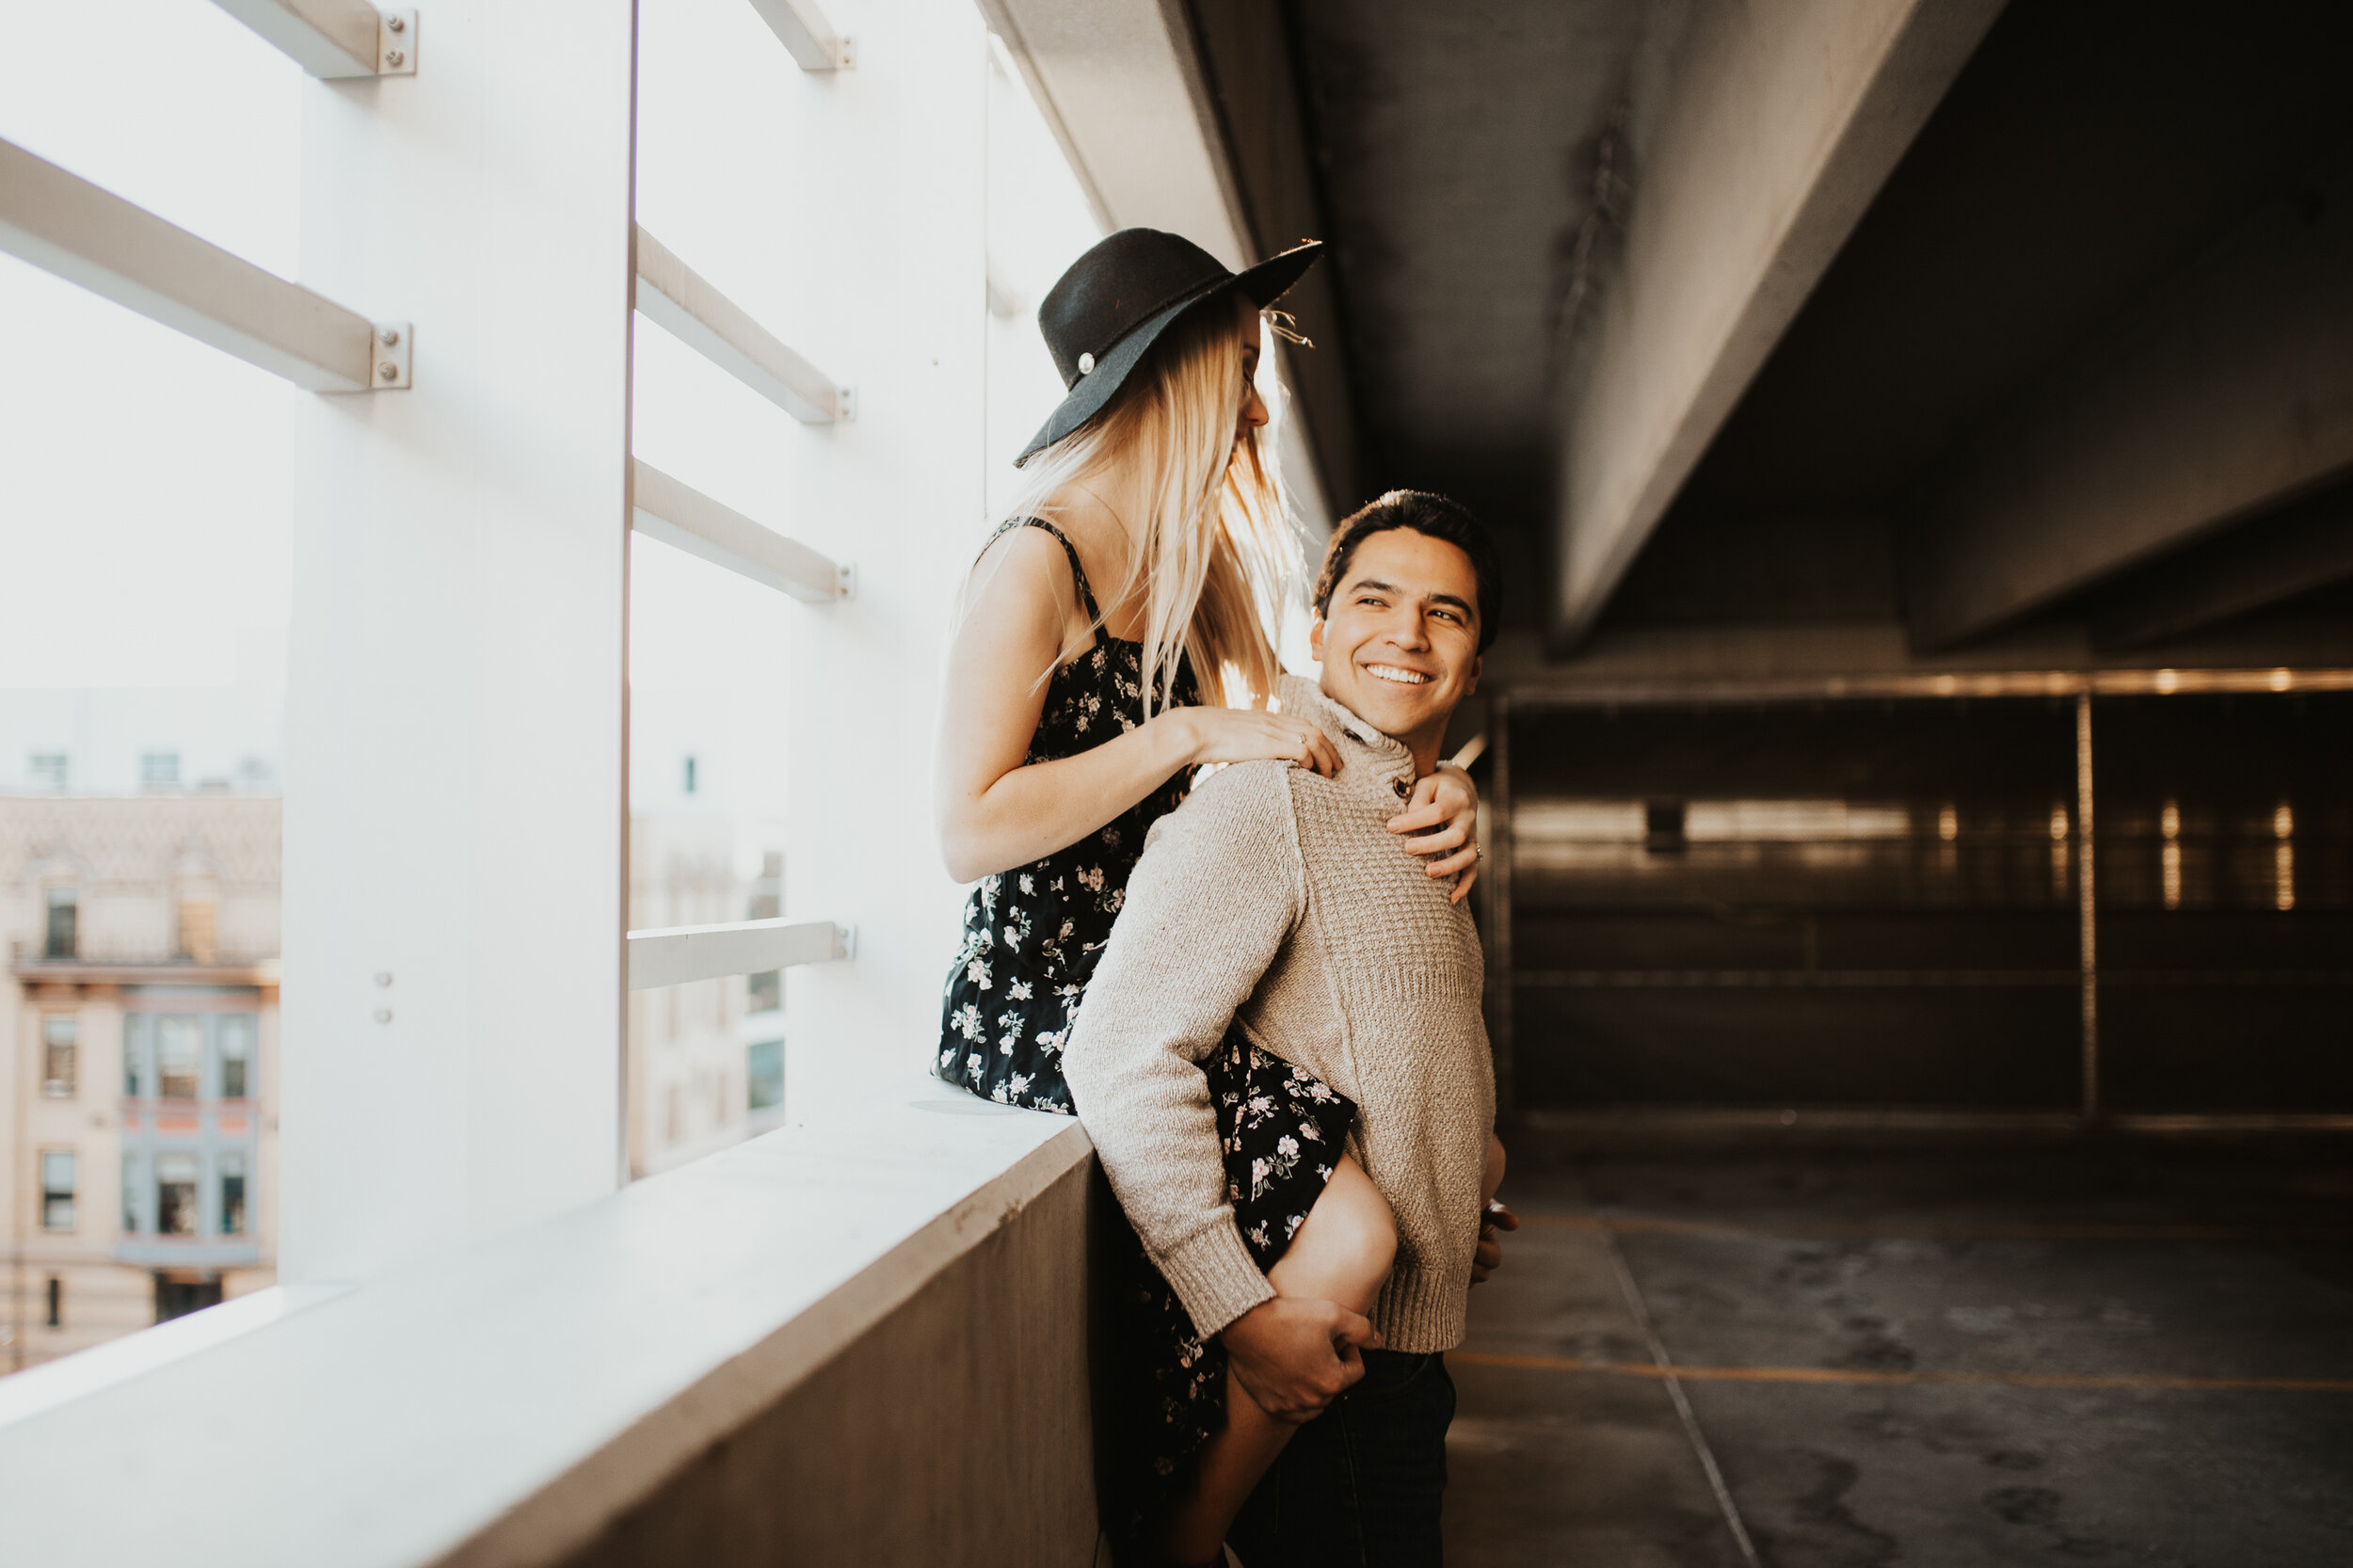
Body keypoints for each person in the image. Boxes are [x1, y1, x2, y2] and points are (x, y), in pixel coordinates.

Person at [927, 229, 1486, 1544]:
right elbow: (967, 827)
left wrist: (1442, 779)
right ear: (1159, 379)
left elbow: (1299, 739)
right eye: (1234, 368)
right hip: (1047, 994)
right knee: (1351, 1232)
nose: (1250, 404)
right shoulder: (1036, 558)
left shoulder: (1201, 568)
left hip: (1171, 956)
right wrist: (1179, 734)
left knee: (1379, 1198)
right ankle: (1189, 1535)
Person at [1067, 490, 1514, 1568]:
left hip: (1408, 1356)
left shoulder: (1424, 816)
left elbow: (1390, 1055)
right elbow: (1120, 1050)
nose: (1406, 634)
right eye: (1374, 598)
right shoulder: (1264, 803)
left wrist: (1459, 1195)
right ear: (1314, 631)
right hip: (1309, 1368)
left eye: (1445, 613)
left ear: (1476, 656)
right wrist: (1240, 1313)